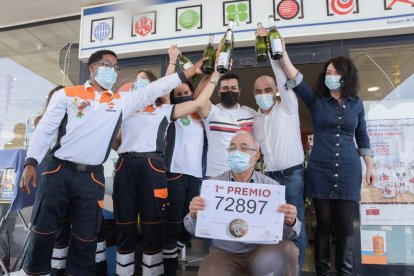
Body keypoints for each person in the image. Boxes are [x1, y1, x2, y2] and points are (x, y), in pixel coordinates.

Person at [17, 49, 199, 276]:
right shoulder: (66, 94)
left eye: (116, 66)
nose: (112, 70)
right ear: (92, 68)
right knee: (43, 231)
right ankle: (36, 272)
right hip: (58, 171)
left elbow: (155, 88)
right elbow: (44, 130)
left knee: (86, 236)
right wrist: (30, 162)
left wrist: (189, 71)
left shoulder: (121, 101)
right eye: (107, 64)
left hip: (91, 178)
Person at [112, 47, 220, 276]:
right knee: (125, 225)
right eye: (136, 80)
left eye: (144, 80)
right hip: (124, 165)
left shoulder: (165, 110)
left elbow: (196, 99)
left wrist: (215, 75)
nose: (138, 83)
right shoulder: (125, 108)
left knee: (152, 225)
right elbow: (116, 141)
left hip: (152, 166)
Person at [278, 39, 376, 275]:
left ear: (345, 76)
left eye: (335, 72)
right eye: (327, 72)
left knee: (345, 227)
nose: (329, 76)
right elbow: (296, 76)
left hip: (349, 168)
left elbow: (362, 135)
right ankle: (322, 271)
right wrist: (282, 54)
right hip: (320, 168)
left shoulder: (356, 103)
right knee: (322, 225)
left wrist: (370, 167)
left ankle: (345, 272)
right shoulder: (316, 100)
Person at [184, 131, 300, 276]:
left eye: (243, 148)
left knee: (288, 249)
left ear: (256, 155)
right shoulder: (213, 186)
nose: (236, 152)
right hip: (225, 253)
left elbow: (290, 233)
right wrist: (194, 215)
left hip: (262, 251)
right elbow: (193, 229)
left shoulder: (271, 187)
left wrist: (291, 221)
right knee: (210, 270)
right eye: (232, 148)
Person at [252, 26, 306, 273]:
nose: (262, 94)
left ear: (275, 92)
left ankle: (296, 270)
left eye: (267, 90)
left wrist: (272, 47)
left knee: (295, 227)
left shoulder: (288, 107)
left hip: (293, 175)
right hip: (270, 178)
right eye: (257, 91)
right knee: (272, 228)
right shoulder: (256, 121)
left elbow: (284, 78)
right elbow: (256, 152)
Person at [162, 47, 206, 275]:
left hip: (196, 176)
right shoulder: (171, 115)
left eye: (185, 92)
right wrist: (173, 62)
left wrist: (210, 68)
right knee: (172, 221)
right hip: (175, 174)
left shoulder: (201, 115)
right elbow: (164, 90)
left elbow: (203, 91)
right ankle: (168, 266)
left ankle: (174, 250)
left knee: (191, 223)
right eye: (177, 94)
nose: (182, 95)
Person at [195, 73, 256, 178]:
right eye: (225, 88)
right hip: (216, 175)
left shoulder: (250, 113)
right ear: (219, 92)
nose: (229, 91)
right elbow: (198, 96)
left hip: (244, 176)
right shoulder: (212, 112)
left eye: (233, 88)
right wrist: (213, 74)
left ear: (239, 91)